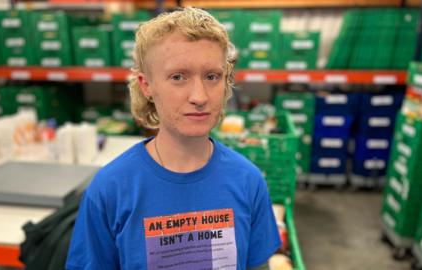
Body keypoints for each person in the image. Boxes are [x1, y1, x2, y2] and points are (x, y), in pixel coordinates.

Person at [66, 7, 280, 270]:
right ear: (147, 86)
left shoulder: (248, 181)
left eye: (212, 76)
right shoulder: (111, 189)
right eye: (178, 77)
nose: (199, 96)